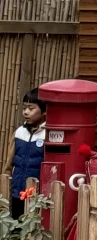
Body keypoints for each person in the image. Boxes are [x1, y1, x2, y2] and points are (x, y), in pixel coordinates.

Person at [10, 89, 46, 217]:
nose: (26, 112)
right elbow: (9, 164)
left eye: (31, 108)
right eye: (24, 108)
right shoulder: (19, 132)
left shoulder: (48, 134)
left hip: (37, 195)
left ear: (44, 111)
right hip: (17, 192)